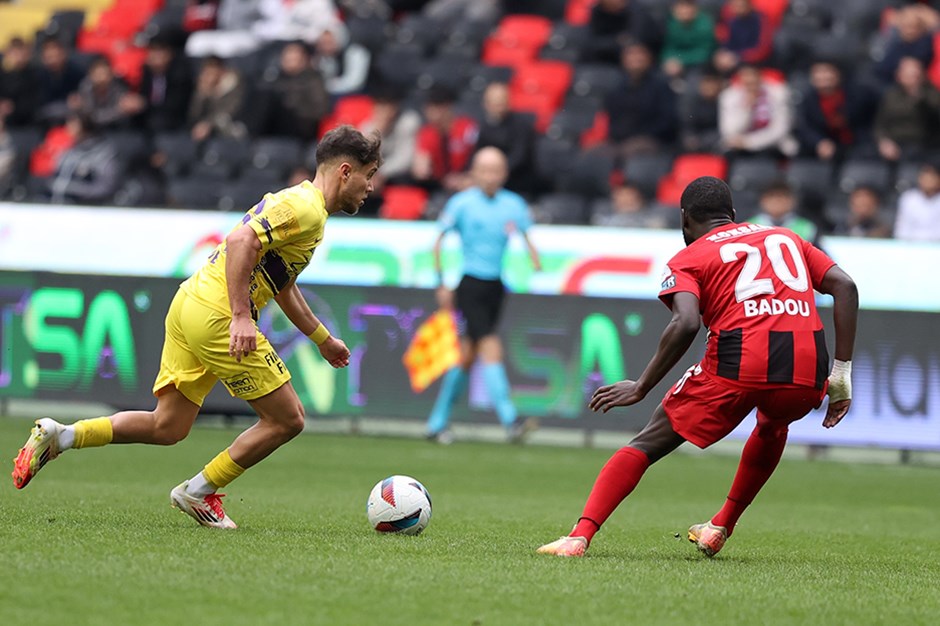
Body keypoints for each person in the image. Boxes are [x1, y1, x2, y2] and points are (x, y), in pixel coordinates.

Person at [12, 125, 383, 530]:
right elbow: (242, 240)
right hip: (219, 314)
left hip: (191, 303)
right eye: (370, 174)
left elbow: (283, 285)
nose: (371, 187)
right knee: (287, 419)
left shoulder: (304, 207)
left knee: (168, 426)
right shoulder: (306, 208)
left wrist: (322, 340)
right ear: (346, 171)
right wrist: (241, 316)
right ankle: (199, 491)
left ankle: (60, 436)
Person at [538, 176, 858, 558]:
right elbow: (846, 286)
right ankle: (720, 526)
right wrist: (840, 373)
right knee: (773, 424)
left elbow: (686, 322)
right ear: (734, 216)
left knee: (648, 441)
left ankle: (579, 536)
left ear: (685, 220)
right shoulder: (786, 237)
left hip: (740, 360)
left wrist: (641, 385)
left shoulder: (689, 257)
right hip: (807, 365)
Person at [426, 147, 541, 444]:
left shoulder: (513, 205)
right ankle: (510, 420)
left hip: (495, 287)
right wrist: (441, 282)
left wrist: (535, 261)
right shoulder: (462, 204)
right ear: (474, 173)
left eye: (496, 170)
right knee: (490, 347)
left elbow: (528, 238)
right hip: (471, 286)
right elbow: (438, 241)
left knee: (466, 356)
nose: (490, 176)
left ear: (504, 174)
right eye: (484, 170)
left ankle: (436, 423)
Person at [605, 41, 678, 159]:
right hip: (620, 141)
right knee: (595, 154)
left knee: (630, 151)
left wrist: (640, 134)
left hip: (653, 140)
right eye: (631, 54)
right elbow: (612, 119)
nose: (635, 58)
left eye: (640, 54)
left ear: (649, 58)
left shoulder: (661, 85)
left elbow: (667, 120)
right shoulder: (617, 87)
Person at [796, 60, 878, 162]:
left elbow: (870, 118)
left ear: (837, 74)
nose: (823, 77)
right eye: (818, 73)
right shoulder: (809, 100)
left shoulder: (858, 94)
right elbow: (805, 127)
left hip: (857, 143)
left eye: (827, 72)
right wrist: (819, 142)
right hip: (826, 143)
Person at [719, 65, 797, 158]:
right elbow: (729, 131)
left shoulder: (778, 93)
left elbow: (780, 130)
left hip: (774, 145)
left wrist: (749, 142)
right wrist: (746, 109)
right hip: (739, 145)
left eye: (753, 75)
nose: (750, 80)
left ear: (761, 76)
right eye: (745, 76)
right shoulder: (729, 96)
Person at [411, 86, 478, 192]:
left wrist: (466, 178)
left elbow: (477, 158)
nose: (433, 114)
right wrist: (421, 168)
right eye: (429, 108)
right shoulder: (426, 133)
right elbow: (421, 163)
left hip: (468, 182)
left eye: (438, 108)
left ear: (448, 107)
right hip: (439, 186)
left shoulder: (467, 128)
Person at [46, 113, 123, 205]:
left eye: (73, 123)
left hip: (88, 209)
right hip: (59, 206)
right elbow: (54, 178)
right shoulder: (68, 152)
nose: (67, 127)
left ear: (85, 128)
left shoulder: (103, 153)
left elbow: (105, 188)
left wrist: (72, 188)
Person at [874, 57, 940, 163]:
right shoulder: (891, 95)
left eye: (914, 75)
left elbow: (933, 119)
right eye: (907, 74)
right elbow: (880, 124)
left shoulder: (931, 94)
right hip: (894, 143)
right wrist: (884, 141)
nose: (911, 78)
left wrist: (918, 96)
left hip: (922, 146)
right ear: (899, 75)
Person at [474, 81, 536, 195]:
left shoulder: (522, 125)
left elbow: (519, 157)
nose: (499, 107)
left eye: (501, 102)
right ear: (486, 104)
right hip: (488, 181)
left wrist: (494, 173)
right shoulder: (483, 126)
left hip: (517, 183)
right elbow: (478, 152)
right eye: (494, 103)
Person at [265, 41, 330, 142]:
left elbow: (320, 110)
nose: (290, 61)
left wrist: (293, 105)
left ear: (304, 59)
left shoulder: (313, 80)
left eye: (294, 58)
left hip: (302, 127)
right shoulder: (276, 80)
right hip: (275, 125)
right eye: (287, 58)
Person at [188, 56, 247, 143]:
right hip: (207, 130)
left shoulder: (235, 87)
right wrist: (201, 95)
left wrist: (208, 124)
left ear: (221, 71)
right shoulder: (204, 88)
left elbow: (230, 111)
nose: (208, 75)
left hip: (230, 128)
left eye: (211, 71)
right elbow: (194, 115)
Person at [69, 57, 132, 130]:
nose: (102, 78)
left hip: (116, 127)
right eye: (98, 74)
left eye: (105, 74)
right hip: (92, 128)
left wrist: (120, 111)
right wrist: (117, 111)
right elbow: (91, 117)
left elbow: (122, 114)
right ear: (91, 75)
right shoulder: (85, 87)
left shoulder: (120, 85)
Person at [713, 0, 774, 74]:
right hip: (734, 61)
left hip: (756, 64)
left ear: (749, 5)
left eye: (741, 5)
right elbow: (727, 44)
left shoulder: (761, 20)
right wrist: (722, 55)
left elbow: (763, 49)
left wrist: (739, 58)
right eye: (735, 5)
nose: (738, 8)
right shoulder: (731, 21)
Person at [661, 0, 716, 79]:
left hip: (698, 65)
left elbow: (705, 52)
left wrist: (681, 60)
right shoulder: (668, 23)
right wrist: (670, 60)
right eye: (681, 6)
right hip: (674, 65)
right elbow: (666, 48)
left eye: (688, 6)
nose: (685, 10)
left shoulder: (705, 24)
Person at [750, 181, 818, 242]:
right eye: (772, 196)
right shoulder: (750, 227)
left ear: (793, 201)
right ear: (762, 200)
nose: (777, 200)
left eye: (783, 196)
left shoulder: (806, 227)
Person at [894, 161, 940, 242]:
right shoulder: (908, 198)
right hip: (911, 247)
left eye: (932, 177)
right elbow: (902, 228)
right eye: (925, 177)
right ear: (919, 179)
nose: (928, 181)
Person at [0, 38, 39, 128]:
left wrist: (12, 108)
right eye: (14, 53)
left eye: (20, 52)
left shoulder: (35, 74)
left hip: (28, 124)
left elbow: (34, 102)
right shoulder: (3, 75)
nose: (18, 57)